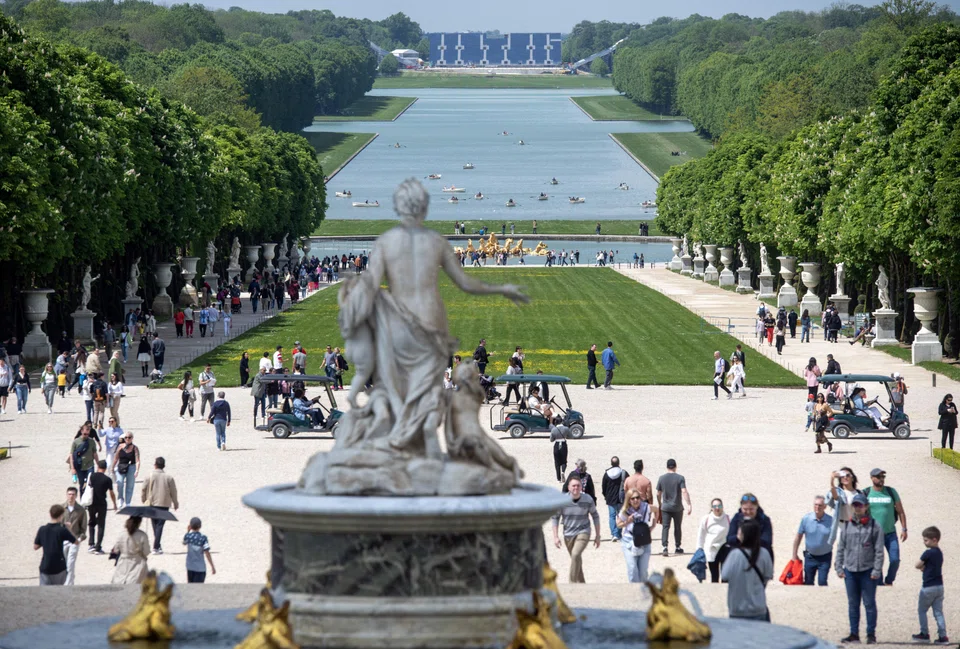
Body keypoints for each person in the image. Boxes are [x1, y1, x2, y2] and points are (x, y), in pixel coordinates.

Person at [835, 493, 884, 645]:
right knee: (853, 604)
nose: (857, 508)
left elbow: (879, 551)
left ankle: (871, 634)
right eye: (855, 505)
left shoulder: (875, 526)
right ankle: (854, 634)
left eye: (860, 505)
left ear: (866, 507)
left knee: (869, 603)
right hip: (850, 571)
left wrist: (877, 570)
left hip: (867, 571)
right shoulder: (847, 526)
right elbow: (840, 547)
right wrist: (838, 566)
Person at [551, 475, 601, 583]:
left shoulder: (588, 499)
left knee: (575, 554)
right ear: (568, 487)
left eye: (578, 486)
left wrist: (597, 535)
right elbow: (555, 518)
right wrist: (555, 536)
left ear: (581, 487)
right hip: (568, 534)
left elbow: (595, 516)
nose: (576, 488)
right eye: (573, 486)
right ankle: (582, 585)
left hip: (583, 531)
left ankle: (571, 584)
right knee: (576, 560)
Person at [722, 519, 773, 622]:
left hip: (737, 609)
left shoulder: (734, 555)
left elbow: (724, 575)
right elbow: (768, 576)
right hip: (758, 607)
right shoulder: (764, 553)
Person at [863, 468, 907, 585]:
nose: (881, 479)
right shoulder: (865, 493)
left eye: (883, 477)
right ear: (872, 478)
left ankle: (889, 580)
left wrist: (904, 529)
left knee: (895, 560)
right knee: (878, 562)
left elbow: (901, 511)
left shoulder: (891, 492)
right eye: (878, 477)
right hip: (873, 535)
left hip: (890, 533)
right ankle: (880, 585)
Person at [912, 526, 948, 645]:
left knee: (922, 610)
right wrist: (925, 567)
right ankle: (943, 636)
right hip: (939, 586)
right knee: (938, 612)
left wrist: (922, 567)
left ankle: (924, 634)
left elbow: (917, 565)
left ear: (934, 539)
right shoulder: (939, 553)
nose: (924, 542)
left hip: (928, 587)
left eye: (926, 540)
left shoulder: (928, 553)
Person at [617, 489, 658, 582]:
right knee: (632, 570)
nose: (635, 500)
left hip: (644, 541)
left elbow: (656, 509)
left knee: (643, 572)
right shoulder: (625, 510)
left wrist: (653, 525)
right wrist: (627, 521)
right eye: (632, 498)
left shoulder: (646, 507)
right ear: (629, 500)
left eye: (637, 498)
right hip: (629, 542)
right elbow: (618, 524)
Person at [792, 496, 834, 586]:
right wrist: (794, 554)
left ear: (825, 506)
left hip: (825, 558)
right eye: (815, 505)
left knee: (822, 582)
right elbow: (798, 537)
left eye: (820, 505)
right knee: (808, 583)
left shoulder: (831, 521)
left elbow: (837, 537)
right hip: (810, 557)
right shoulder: (806, 519)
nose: (817, 507)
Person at [141, 457, 179, 554]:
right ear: (164, 466)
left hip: (152, 502)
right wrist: (175, 502)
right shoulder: (169, 478)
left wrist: (143, 500)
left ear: (155, 465)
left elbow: (143, 489)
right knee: (160, 525)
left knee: (155, 524)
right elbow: (173, 491)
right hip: (164, 503)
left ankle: (157, 546)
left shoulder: (149, 476)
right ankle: (156, 546)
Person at [34, 504, 76, 585]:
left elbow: (36, 546)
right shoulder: (62, 530)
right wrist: (69, 529)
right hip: (59, 566)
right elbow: (75, 541)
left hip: (46, 565)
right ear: (61, 516)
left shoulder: (42, 529)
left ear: (50, 514)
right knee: (58, 593)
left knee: (45, 593)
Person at [656, 459, 692, 556]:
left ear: (667, 467)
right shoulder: (680, 478)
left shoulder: (661, 478)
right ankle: (677, 547)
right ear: (675, 466)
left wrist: (660, 503)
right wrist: (689, 504)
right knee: (677, 527)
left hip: (665, 507)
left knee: (665, 527)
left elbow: (658, 493)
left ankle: (665, 547)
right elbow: (684, 491)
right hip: (677, 507)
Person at [727, 493, 774, 563]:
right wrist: (737, 538)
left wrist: (746, 540)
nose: (748, 512)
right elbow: (729, 539)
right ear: (741, 507)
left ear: (757, 507)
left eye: (751, 509)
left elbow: (767, 541)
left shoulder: (765, 520)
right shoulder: (736, 518)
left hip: (760, 559)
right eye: (745, 509)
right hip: (740, 558)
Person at [86, 459, 117, 554]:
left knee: (91, 522)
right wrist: (114, 504)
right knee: (101, 525)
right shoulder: (107, 479)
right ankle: (98, 547)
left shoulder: (92, 476)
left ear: (98, 466)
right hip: (102, 504)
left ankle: (91, 544)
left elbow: (86, 487)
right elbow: (111, 493)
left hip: (91, 502)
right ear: (105, 468)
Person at [697, 498, 730, 583]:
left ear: (722, 507)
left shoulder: (727, 518)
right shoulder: (706, 519)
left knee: (725, 577)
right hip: (712, 550)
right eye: (714, 506)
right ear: (711, 508)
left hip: (725, 549)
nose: (717, 508)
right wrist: (699, 549)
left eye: (719, 506)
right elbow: (701, 535)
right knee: (714, 576)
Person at [110, 516, 151, 585]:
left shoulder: (121, 534)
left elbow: (116, 549)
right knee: (135, 585)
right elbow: (146, 552)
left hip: (123, 562)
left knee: (120, 582)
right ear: (139, 523)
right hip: (138, 562)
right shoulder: (142, 535)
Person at [61, 486, 87, 584]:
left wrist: (80, 538)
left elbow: (83, 527)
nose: (71, 496)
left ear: (76, 496)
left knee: (70, 563)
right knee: (63, 563)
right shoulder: (61, 508)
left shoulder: (81, 510)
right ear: (66, 495)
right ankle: (66, 581)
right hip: (63, 540)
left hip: (74, 540)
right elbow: (56, 523)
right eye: (69, 494)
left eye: (73, 494)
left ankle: (69, 585)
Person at [601, 457, 627, 542]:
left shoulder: (607, 473)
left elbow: (603, 486)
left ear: (611, 463)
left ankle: (613, 534)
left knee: (611, 516)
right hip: (621, 498)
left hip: (610, 498)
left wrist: (606, 495)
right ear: (619, 463)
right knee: (620, 516)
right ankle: (618, 534)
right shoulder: (623, 473)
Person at [68, 425, 99, 497]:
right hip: (79, 466)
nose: (86, 436)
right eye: (85, 434)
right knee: (82, 484)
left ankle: (90, 500)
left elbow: (94, 453)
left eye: (88, 434)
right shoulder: (76, 442)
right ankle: (83, 501)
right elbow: (71, 455)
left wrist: (98, 464)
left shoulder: (91, 441)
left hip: (90, 465)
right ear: (81, 431)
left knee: (90, 483)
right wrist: (72, 468)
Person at [183, 517, 216, 583]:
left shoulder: (188, 536)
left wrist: (188, 531)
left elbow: (184, 542)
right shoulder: (203, 538)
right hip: (200, 568)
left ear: (190, 526)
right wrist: (212, 566)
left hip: (190, 566)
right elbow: (207, 553)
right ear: (200, 526)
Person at [112, 432, 140, 508]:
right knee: (120, 483)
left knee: (130, 485)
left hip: (131, 467)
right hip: (121, 466)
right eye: (126, 437)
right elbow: (116, 458)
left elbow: (137, 460)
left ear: (132, 438)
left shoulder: (135, 448)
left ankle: (128, 502)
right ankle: (120, 498)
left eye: (129, 437)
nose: (127, 439)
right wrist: (112, 467)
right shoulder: (120, 446)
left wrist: (137, 470)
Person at [550, 417, 568, 483]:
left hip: (557, 444)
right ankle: (563, 471)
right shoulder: (566, 428)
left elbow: (551, 440)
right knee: (564, 461)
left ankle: (558, 478)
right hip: (563, 444)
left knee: (557, 463)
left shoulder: (554, 429)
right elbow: (569, 435)